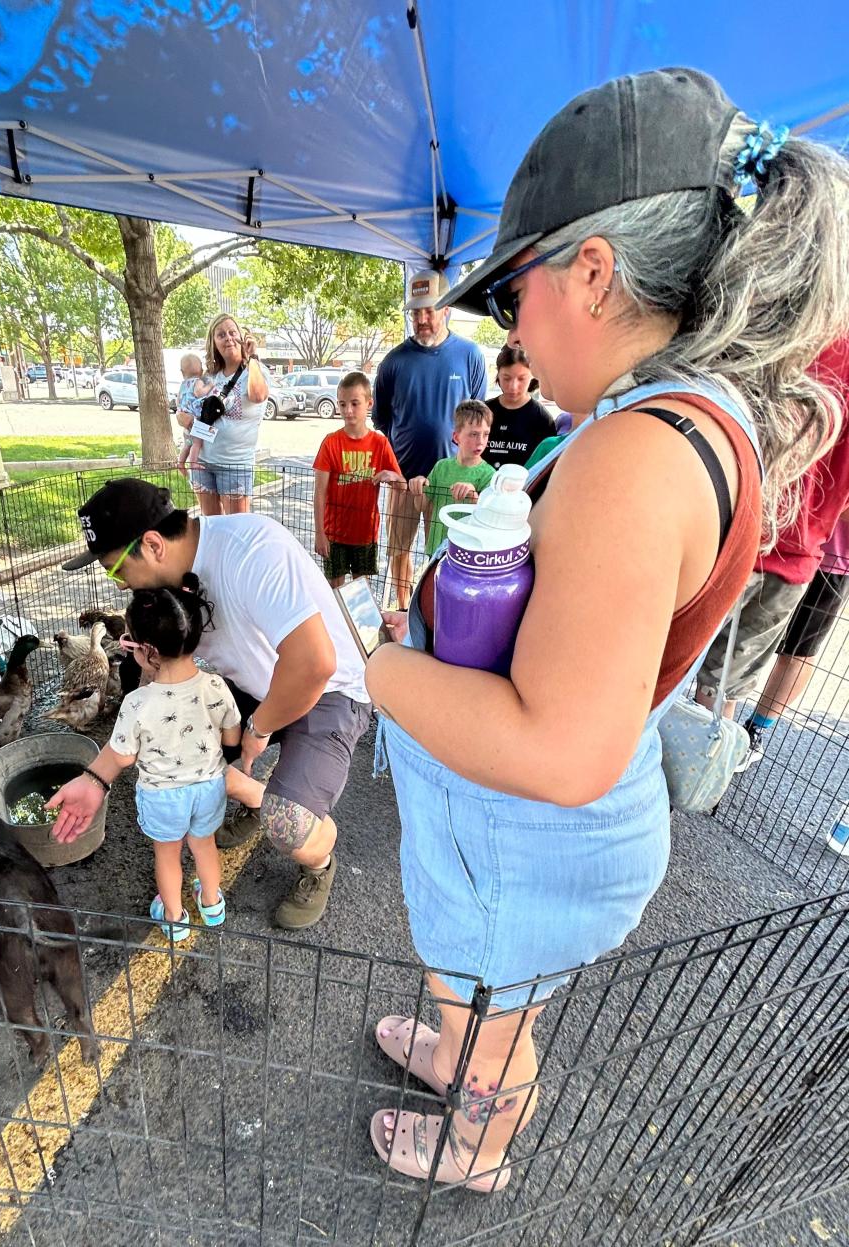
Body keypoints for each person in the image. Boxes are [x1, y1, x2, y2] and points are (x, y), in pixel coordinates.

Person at [363, 69, 849, 1191]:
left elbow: (560, 748)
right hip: (530, 847)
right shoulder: (685, 415)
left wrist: (385, 669)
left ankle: (474, 1141)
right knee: (478, 996)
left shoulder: (634, 455)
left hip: (524, 844)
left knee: (493, 1015)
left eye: (511, 294)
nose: (509, 326)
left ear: (592, 269)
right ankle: (454, 1056)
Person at [56, 478, 373, 930]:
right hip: (252, 683)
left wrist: (259, 729)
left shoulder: (252, 551)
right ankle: (249, 795)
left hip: (328, 691)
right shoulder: (171, 577)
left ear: (152, 545)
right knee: (179, 745)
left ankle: (317, 861)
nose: (121, 584)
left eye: (116, 570)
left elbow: (314, 665)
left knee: (287, 824)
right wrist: (97, 777)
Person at [51, 575, 265, 941]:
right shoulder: (216, 686)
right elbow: (231, 736)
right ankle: (212, 905)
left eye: (129, 642)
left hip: (162, 795)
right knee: (204, 846)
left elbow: (122, 756)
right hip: (209, 786)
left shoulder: (138, 703)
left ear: (148, 651)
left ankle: (174, 918)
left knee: (167, 857)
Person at [695, 337, 849, 739]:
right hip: (797, 557)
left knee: (669, 659)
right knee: (721, 686)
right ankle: (695, 781)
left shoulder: (799, 330)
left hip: (733, 533)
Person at [373, 270, 487, 609]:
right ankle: (406, 608)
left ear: (447, 309)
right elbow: (382, 419)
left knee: (449, 550)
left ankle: (441, 610)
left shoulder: (470, 356)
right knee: (400, 550)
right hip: (405, 478)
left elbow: (475, 416)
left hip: (452, 483)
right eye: (415, 312)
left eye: (430, 310)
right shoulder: (393, 362)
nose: (422, 319)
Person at [740, 510, 849, 762]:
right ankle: (706, 713)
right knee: (743, 636)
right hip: (779, 540)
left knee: (798, 651)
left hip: (831, 561)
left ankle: (755, 730)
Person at [313, 371, 404, 588]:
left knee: (361, 591)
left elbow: (402, 484)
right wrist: (319, 533)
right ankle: (336, 623)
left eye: (355, 403)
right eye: (343, 404)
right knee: (334, 588)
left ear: (369, 403)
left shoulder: (379, 443)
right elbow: (320, 492)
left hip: (365, 533)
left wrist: (392, 476)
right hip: (334, 532)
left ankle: (357, 625)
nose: (348, 410)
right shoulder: (331, 443)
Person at [196, 313, 270, 516]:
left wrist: (252, 357)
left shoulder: (255, 370)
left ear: (241, 336)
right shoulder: (210, 376)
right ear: (214, 343)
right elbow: (194, 411)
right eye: (221, 335)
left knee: (237, 530)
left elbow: (258, 395)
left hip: (235, 465)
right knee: (211, 526)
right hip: (204, 461)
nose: (228, 338)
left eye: (232, 332)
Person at [408, 399, 496, 556]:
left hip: (466, 552)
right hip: (436, 549)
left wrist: (474, 496)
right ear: (456, 437)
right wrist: (418, 490)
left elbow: (488, 518)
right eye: (474, 434)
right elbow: (420, 506)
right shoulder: (441, 467)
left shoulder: (489, 474)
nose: (481, 441)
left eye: (485, 434)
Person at [483, 345, 555, 470]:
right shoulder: (482, 412)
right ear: (498, 375)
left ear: (532, 376)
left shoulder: (542, 419)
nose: (513, 386)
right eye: (506, 378)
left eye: (521, 379)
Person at [174, 352, 216, 517]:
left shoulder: (183, 384)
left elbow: (177, 403)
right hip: (197, 421)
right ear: (200, 369)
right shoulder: (197, 382)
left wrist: (182, 412)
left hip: (187, 421)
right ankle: (193, 463)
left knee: (188, 443)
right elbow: (200, 393)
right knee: (196, 443)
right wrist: (209, 387)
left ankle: (180, 461)